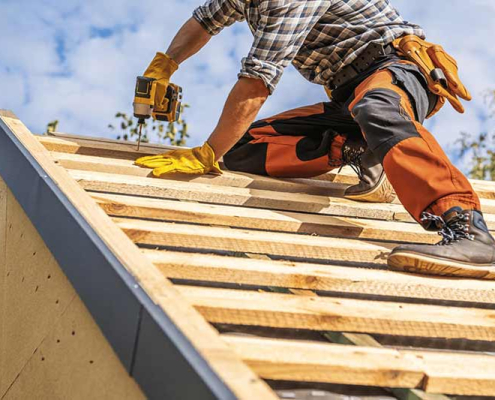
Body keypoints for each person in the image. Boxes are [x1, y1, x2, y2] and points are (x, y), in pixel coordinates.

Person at [135, 0, 495, 279]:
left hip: (396, 69)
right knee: (243, 149)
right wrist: (165, 64)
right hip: (349, 97)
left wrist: (206, 153)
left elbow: (257, 82)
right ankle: (361, 147)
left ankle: (465, 225)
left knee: (377, 109)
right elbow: (205, 20)